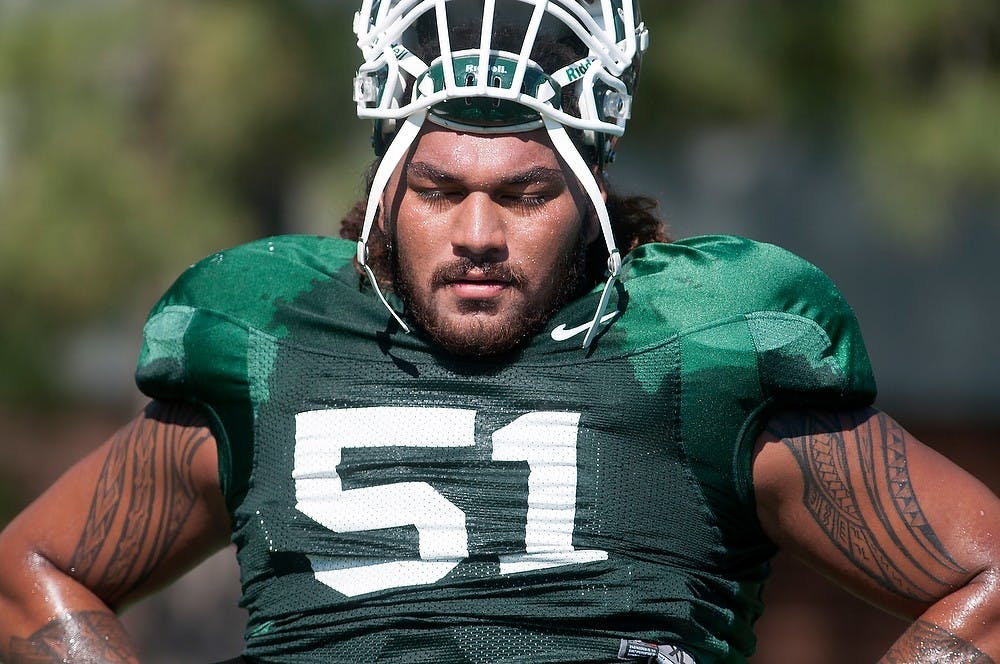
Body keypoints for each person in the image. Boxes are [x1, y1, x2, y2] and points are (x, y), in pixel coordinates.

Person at [1, 1, 998, 662]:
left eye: (524, 194)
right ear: (386, 189)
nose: (477, 234)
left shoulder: (701, 347)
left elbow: (983, 577)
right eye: (439, 190)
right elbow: (36, 568)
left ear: (591, 195)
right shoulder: (277, 341)